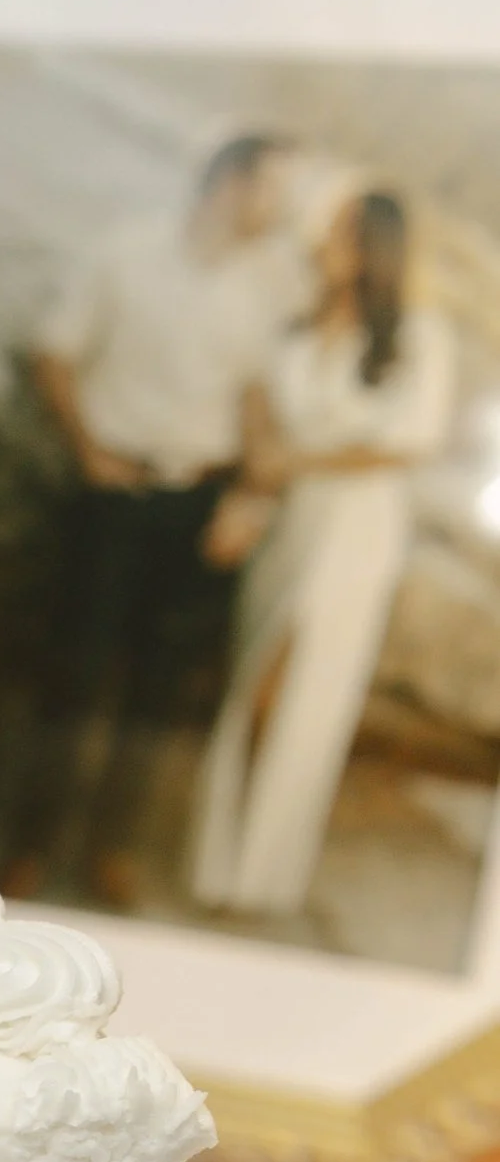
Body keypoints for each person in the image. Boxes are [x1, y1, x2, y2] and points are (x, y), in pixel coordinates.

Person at [21, 134, 302, 905]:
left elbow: (258, 401)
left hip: (198, 506)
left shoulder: (270, 285)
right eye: (273, 190)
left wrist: (251, 502)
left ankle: (111, 853)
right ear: (232, 185)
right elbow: (53, 351)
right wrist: (87, 449)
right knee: (75, 673)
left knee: (160, 688)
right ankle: (30, 844)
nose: (281, 209)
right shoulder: (126, 251)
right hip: (115, 495)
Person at [189, 190, 454, 922]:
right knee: (254, 683)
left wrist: (294, 463)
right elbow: (260, 419)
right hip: (289, 523)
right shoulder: (297, 331)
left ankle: (264, 878)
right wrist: (251, 496)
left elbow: (408, 442)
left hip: (358, 528)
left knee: (310, 691)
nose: (324, 242)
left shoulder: (416, 337)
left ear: (375, 249)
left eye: (342, 233)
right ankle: (219, 866)